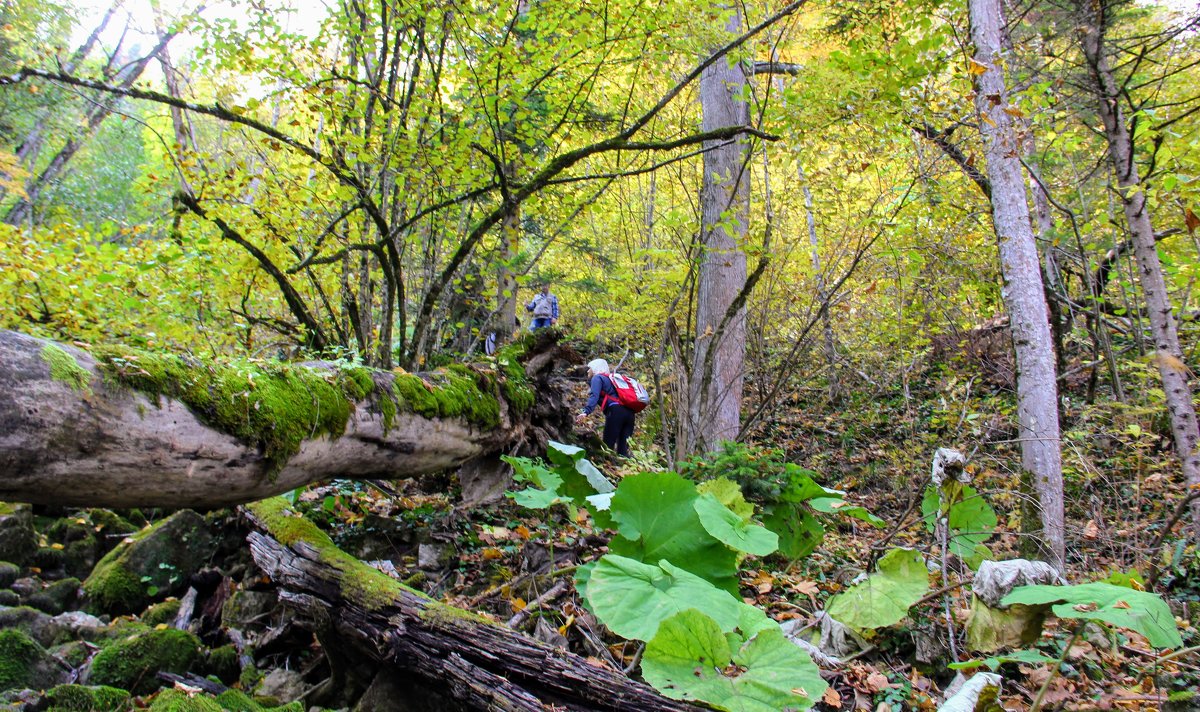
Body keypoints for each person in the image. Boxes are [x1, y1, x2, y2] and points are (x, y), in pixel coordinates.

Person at [575, 358, 635, 457]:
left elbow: (594, 396)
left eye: (589, 368)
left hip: (616, 412)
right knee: (623, 449)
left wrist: (585, 411)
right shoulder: (612, 380)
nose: (587, 371)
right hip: (630, 413)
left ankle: (606, 467)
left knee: (607, 446)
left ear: (595, 368)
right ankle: (624, 470)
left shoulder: (597, 378)